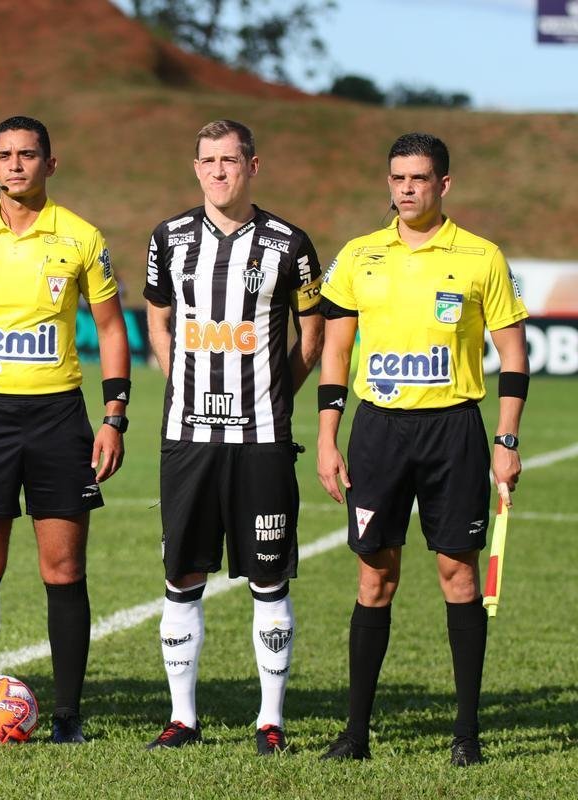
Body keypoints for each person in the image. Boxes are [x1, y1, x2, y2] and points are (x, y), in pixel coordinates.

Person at [317, 132, 528, 766]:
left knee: (458, 576)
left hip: (454, 431)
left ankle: (467, 734)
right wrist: (328, 437)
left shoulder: (481, 256)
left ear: (443, 184)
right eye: (397, 178)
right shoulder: (358, 255)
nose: (406, 189)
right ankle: (355, 735)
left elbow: (513, 354)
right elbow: (334, 351)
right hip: (378, 431)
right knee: (374, 576)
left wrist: (507, 440)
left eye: (418, 178)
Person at [0, 116, 131, 744]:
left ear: (50, 163)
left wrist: (115, 417)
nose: (16, 165)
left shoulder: (80, 237)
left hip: (58, 420)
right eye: (5, 156)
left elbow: (114, 329)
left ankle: (68, 714)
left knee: (63, 569)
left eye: (28, 155)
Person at [142, 119, 324, 754]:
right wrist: (177, 380)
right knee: (182, 576)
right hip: (187, 437)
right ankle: (182, 719)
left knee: (269, 581)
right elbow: (157, 318)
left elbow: (312, 337)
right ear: (196, 168)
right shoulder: (167, 239)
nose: (218, 171)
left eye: (230, 160)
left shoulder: (291, 245)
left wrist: (274, 395)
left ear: (253, 164)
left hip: (262, 439)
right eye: (208, 161)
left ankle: (269, 720)